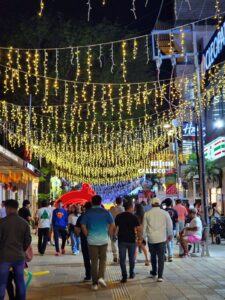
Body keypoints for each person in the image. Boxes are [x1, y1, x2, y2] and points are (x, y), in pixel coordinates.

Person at [81, 195, 114, 291]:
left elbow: (83, 225)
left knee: (94, 261)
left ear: (92, 202)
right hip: (103, 239)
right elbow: (112, 225)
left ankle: (94, 283)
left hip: (92, 240)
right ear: (100, 202)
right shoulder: (106, 212)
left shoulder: (87, 212)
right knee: (103, 259)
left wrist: (87, 234)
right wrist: (109, 234)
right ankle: (101, 277)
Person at [0, 199, 32, 300]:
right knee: (20, 281)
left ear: (7, 208)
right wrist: (21, 249)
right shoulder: (24, 223)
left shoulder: (2, 222)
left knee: (2, 282)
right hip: (19, 257)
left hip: (4, 257)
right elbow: (28, 240)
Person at [143, 198, 173, 282]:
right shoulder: (165, 213)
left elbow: (144, 227)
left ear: (151, 204)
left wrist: (143, 238)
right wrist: (170, 234)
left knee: (153, 256)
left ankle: (154, 271)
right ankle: (160, 276)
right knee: (161, 257)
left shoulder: (147, 214)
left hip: (151, 239)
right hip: (161, 238)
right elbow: (169, 225)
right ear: (159, 204)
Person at [115, 200, 141, 283]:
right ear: (130, 207)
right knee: (131, 258)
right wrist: (139, 238)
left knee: (122, 259)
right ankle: (131, 273)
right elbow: (138, 229)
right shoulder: (134, 217)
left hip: (121, 240)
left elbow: (116, 228)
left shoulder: (118, 216)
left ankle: (124, 276)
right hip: (131, 240)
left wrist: (114, 236)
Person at [75, 202, 92, 281]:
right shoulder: (96, 216)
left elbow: (77, 229)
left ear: (85, 208)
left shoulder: (82, 216)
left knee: (86, 257)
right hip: (96, 240)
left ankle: (88, 275)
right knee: (95, 257)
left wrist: (78, 235)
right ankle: (96, 274)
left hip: (85, 240)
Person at [109, 197, 124, 263]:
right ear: (121, 202)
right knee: (121, 243)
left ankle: (115, 256)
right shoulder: (123, 209)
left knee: (113, 242)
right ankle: (121, 257)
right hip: (121, 227)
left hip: (112, 227)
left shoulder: (112, 209)